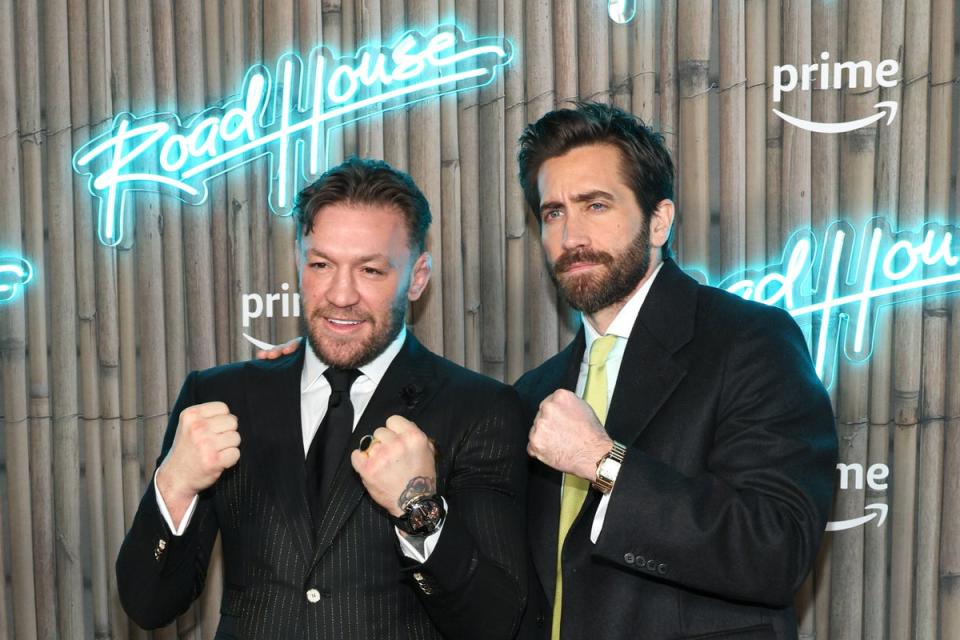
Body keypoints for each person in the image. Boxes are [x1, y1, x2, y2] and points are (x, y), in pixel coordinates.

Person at [116, 158, 528, 640]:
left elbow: (497, 623)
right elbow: (148, 604)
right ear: (299, 261)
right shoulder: (219, 397)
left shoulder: (480, 409)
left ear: (417, 277)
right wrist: (174, 484)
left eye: (371, 270)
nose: (340, 294)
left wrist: (418, 509)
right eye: (321, 264)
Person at [513, 103, 837, 639]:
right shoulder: (535, 393)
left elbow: (776, 549)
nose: (571, 235)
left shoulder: (748, 341)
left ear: (658, 220)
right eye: (553, 213)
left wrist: (603, 461)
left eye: (595, 205)